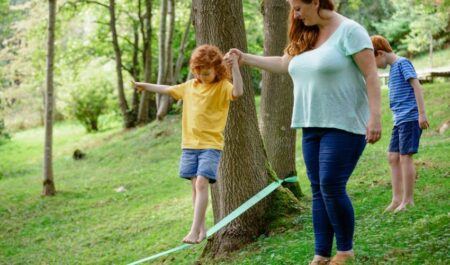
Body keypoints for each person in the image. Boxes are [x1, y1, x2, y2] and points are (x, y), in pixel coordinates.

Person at [226, 0, 381, 264]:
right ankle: (321, 255)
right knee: (319, 190)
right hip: (310, 125)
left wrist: (375, 117)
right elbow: (284, 64)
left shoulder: (350, 31)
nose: (294, 13)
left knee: (331, 184)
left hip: (344, 123)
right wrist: (245, 58)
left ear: (316, 2)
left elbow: (371, 75)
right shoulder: (306, 33)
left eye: (298, 7)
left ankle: (345, 251)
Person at [133, 44, 243, 244]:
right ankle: (201, 231)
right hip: (189, 145)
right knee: (195, 187)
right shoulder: (190, 86)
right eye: (199, 73)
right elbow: (167, 89)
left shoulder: (222, 86)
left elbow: (238, 92)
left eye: (207, 73)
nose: (202, 77)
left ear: (217, 69)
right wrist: (145, 86)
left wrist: (235, 66)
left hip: (211, 144)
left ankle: (193, 231)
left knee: (202, 183)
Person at [371, 35, 429, 213]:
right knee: (392, 157)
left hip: (410, 118)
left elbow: (416, 86)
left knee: (405, 157)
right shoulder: (392, 68)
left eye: (374, 62)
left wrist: (421, 114)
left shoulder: (403, 63)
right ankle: (396, 199)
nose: (374, 67)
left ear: (380, 53)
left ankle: (408, 200)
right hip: (399, 121)